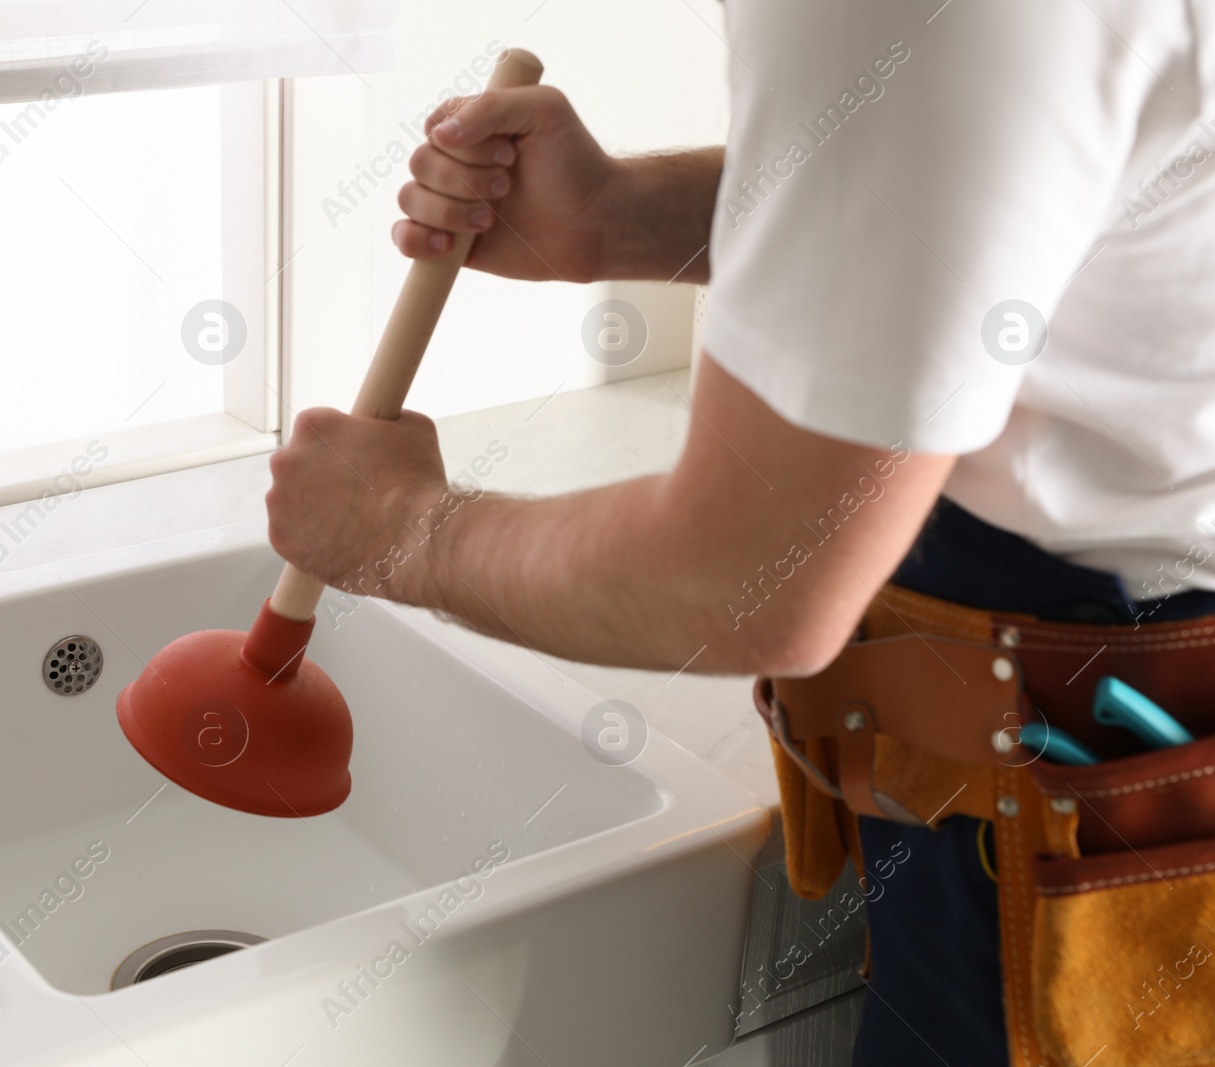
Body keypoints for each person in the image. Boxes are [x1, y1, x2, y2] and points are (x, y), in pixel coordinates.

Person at [264, 6, 1215, 1065]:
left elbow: (744, 580)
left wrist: (402, 530)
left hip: (1090, 800)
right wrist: (622, 218)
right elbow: (1019, 185)